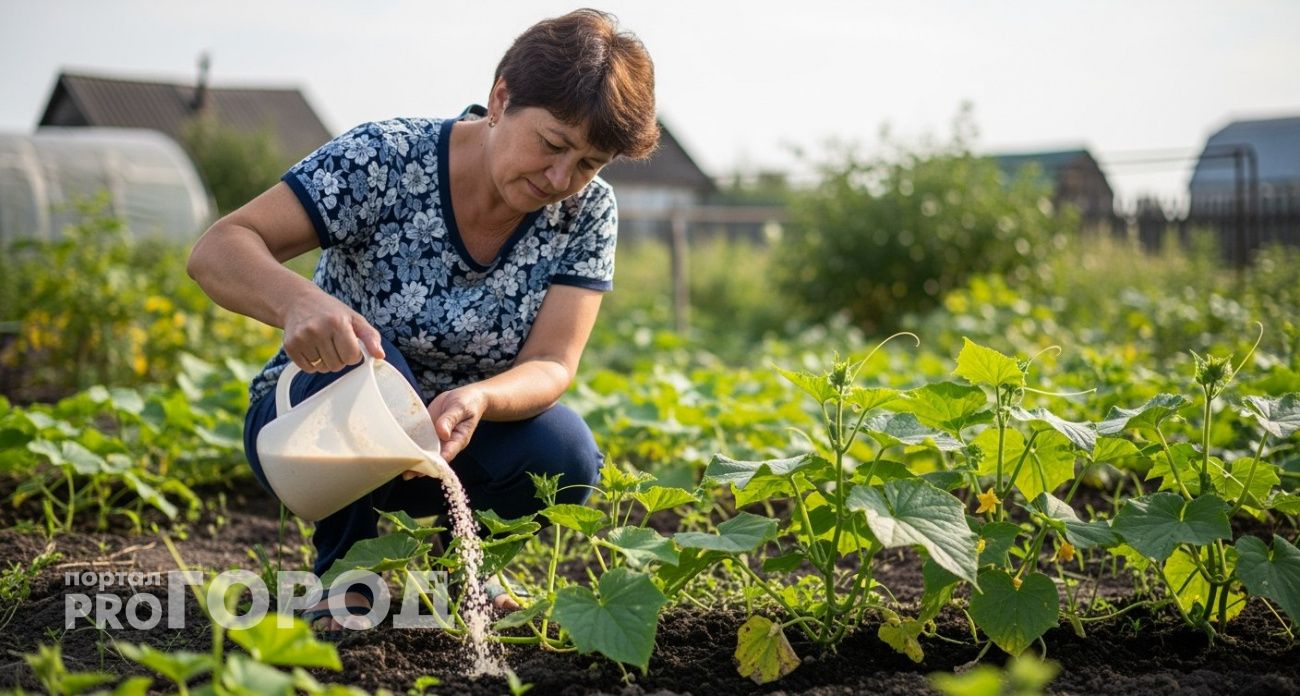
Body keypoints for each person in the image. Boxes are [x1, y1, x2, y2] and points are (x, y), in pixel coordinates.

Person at [186, 8, 658, 635]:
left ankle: (459, 572)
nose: (560, 179)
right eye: (552, 145)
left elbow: (553, 363)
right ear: (501, 97)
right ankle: (342, 576)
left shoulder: (587, 212)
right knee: (368, 362)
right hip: (309, 433)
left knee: (565, 451)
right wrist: (297, 301)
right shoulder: (387, 158)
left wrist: (480, 398)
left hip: (448, 447)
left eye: (588, 164)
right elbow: (218, 248)